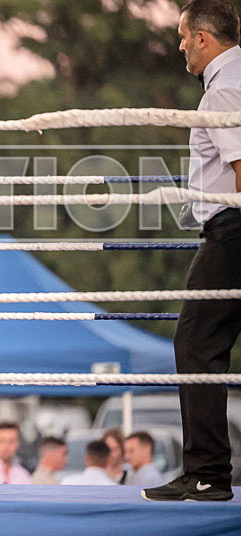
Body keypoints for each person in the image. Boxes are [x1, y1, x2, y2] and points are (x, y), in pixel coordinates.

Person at [144, 0, 241, 503]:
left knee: (196, 343)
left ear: (203, 37)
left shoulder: (224, 88)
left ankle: (207, 473)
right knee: (201, 343)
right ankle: (206, 471)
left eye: (184, 36)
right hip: (227, 226)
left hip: (234, 228)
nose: (180, 45)